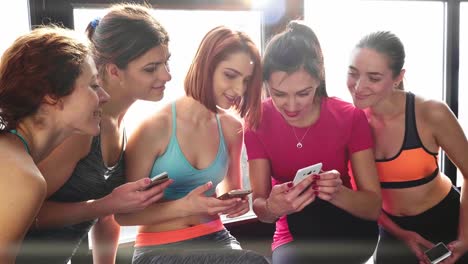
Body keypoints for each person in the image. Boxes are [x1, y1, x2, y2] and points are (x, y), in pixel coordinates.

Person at [16, 3, 172, 264]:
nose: (167, 75)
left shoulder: (120, 124)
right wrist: (107, 205)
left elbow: (108, 216)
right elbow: (25, 213)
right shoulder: (82, 130)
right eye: (151, 68)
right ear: (113, 70)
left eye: (166, 62)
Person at [115, 26, 268, 264]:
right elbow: (124, 216)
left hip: (217, 240)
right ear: (206, 66)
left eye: (246, 81)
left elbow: (230, 193)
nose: (239, 90)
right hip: (160, 249)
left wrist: (235, 204)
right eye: (230, 75)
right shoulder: (155, 129)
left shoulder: (231, 129)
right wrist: (185, 206)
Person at [243, 21, 382, 264]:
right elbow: (262, 209)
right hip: (292, 234)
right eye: (279, 94)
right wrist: (274, 208)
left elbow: (372, 207)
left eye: (303, 93)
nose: (292, 106)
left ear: (319, 80)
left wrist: (336, 193)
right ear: (266, 85)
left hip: (347, 229)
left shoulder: (350, 117)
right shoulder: (257, 122)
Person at [347, 31, 468, 264]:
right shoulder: (349, 122)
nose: (359, 86)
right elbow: (364, 197)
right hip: (392, 230)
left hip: (447, 221)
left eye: (373, 78)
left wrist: (465, 238)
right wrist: (401, 233)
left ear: (397, 77)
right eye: (353, 73)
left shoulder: (431, 113)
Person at [0, 25, 110, 263]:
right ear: (52, 95)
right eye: (93, 85)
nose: (104, 96)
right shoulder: (24, 178)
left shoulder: (12, 155)